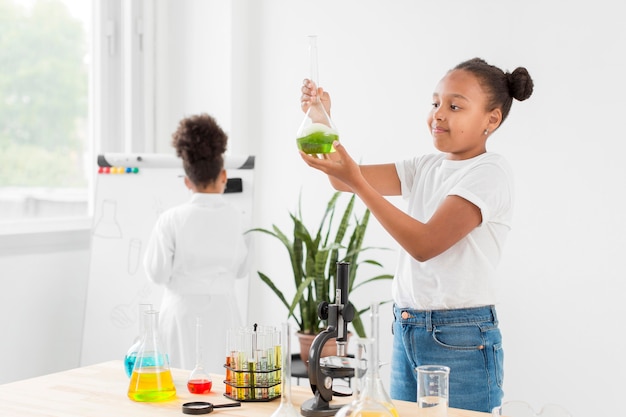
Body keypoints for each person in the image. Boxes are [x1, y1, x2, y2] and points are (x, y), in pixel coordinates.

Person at [299, 57, 533, 413]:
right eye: (435, 103)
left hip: (461, 338)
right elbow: (341, 177)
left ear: (492, 119)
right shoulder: (426, 166)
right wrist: (321, 117)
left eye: (455, 106)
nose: (438, 114)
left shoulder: (491, 173)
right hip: (407, 328)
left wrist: (358, 182)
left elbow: (424, 245)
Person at [143, 113, 249, 372]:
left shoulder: (170, 220)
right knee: (225, 393)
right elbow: (242, 270)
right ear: (223, 175)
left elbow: (156, 273)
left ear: (187, 181)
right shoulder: (239, 219)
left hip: (181, 316)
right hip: (224, 315)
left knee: (177, 393)